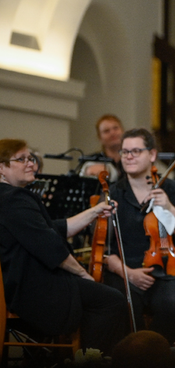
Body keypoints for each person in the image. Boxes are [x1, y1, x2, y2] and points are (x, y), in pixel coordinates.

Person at [0, 138, 128, 353]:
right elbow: (51, 247)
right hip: (33, 288)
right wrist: (83, 274)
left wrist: (94, 212)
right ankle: (90, 365)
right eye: (21, 159)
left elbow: (54, 229)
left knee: (101, 297)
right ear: (1, 168)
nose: (31, 164)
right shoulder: (14, 199)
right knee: (111, 301)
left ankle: (77, 360)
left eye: (31, 158)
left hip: (21, 282)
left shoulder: (7, 197)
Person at [104, 128, 175, 344]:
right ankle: (132, 352)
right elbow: (104, 248)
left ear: (152, 154)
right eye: (125, 152)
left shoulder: (173, 190)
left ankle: (153, 350)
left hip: (167, 271)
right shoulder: (113, 194)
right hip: (124, 272)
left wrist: (169, 207)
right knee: (121, 301)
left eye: (136, 151)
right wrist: (128, 273)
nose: (129, 156)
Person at [80, 113, 125, 182]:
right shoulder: (91, 161)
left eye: (115, 128)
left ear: (122, 131)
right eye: (106, 131)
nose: (112, 133)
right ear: (99, 137)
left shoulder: (132, 158)